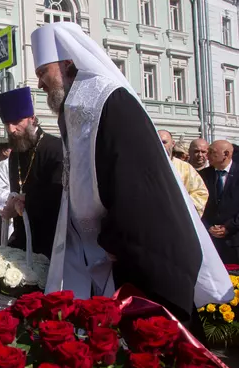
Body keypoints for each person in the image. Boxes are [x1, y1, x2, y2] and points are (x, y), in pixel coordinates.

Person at [30, 22, 232, 329]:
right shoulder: (76, 105)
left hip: (140, 256)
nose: (41, 84)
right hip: (107, 253)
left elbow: (137, 185)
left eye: (43, 72)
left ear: (68, 63)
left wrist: (114, 239)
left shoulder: (111, 101)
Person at [0, 87, 63, 258]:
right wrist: (11, 205)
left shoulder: (55, 148)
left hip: (51, 242)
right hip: (22, 239)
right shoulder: (16, 152)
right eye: (6, 123)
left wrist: (24, 203)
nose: (11, 130)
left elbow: (59, 195)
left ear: (32, 119)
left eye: (16, 122)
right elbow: (16, 190)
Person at [200, 140, 239, 264]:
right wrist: (208, 227)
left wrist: (228, 227)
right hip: (210, 241)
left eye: (212, 152)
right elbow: (197, 205)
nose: (207, 156)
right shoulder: (202, 175)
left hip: (235, 240)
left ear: (226, 154)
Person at [158, 130, 208, 217]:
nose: (161, 145)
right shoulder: (145, 167)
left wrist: (181, 205)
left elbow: (200, 192)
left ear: (173, 143)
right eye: (158, 142)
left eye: (164, 142)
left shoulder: (185, 168)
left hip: (179, 216)